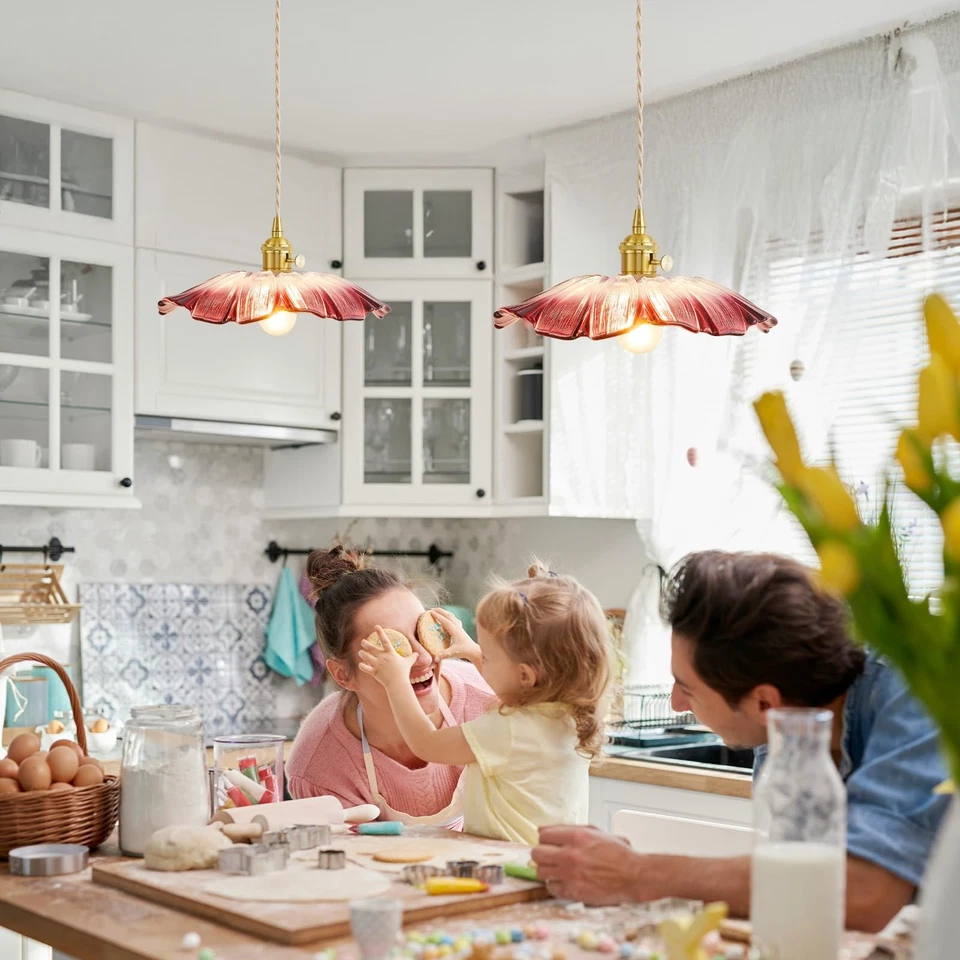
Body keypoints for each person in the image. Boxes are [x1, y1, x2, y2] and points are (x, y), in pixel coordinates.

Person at [532, 551, 950, 933]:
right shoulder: (784, 727)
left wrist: (635, 873)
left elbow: (862, 893)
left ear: (765, 702)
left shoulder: (922, 691)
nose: (676, 704)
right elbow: (799, 889)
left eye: (687, 688)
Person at [358, 564, 612, 845]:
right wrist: (471, 650)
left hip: (513, 865)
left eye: (487, 656)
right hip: (552, 861)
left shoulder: (507, 731)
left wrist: (396, 683)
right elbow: (514, 689)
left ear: (525, 675)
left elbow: (426, 743)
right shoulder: (567, 715)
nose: (479, 658)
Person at [287, 544, 495, 827]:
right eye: (391, 649)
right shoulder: (318, 765)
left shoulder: (490, 701)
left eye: (423, 633)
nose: (424, 657)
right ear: (342, 675)